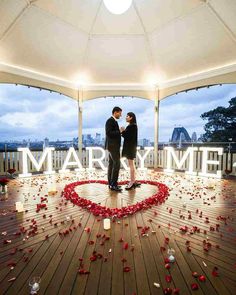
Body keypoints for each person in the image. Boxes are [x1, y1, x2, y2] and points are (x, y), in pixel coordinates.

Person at [120, 112, 140, 190]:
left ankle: (132, 182)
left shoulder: (132, 126)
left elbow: (127, 137)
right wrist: (124, 131)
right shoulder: (132, 126)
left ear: (131, 117)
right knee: (132, 165)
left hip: (130, 148)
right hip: (131, 147)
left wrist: (122, 130)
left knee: (131, 165)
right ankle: (133, 180)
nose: (126, 117)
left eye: (127, 116)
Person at [105, 106, 122, 192]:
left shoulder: (113, 121)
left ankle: (111, 184)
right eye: (120, 113)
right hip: (113, 147)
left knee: (111, 165)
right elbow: (109, 133)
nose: (121, 115)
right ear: (115, 112)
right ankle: (113, 184)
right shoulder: (110, 121)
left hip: (113, 147)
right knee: (117, 164)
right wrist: (119, 131)